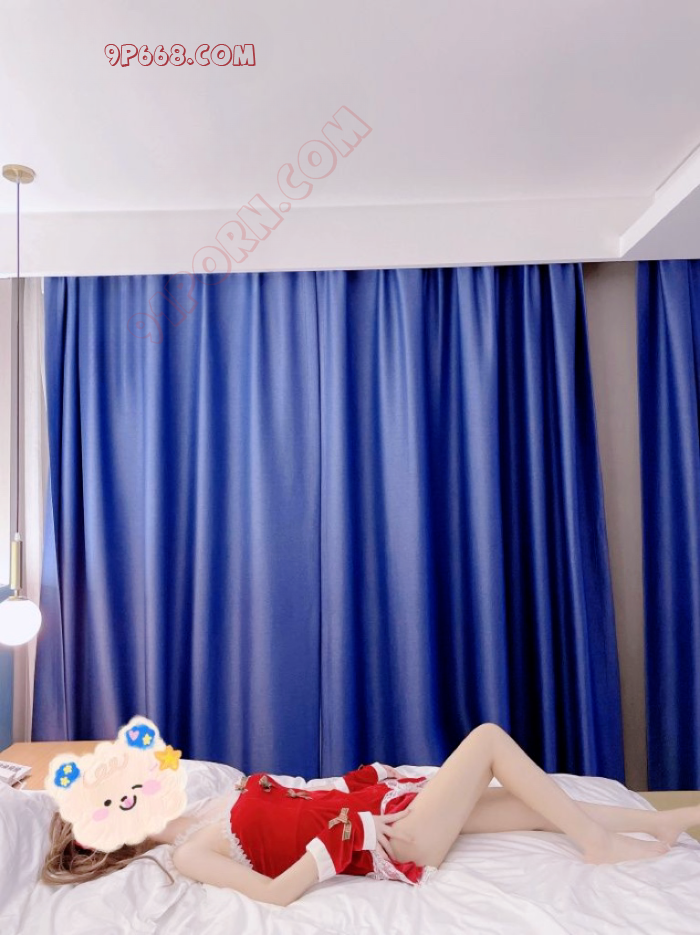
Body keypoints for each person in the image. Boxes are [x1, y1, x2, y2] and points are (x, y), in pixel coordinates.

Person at [42, 723, 696, 906]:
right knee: (489, 741)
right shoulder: (190, 854)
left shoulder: (213, 797)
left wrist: (365, 790)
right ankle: (597, 844)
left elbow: (303, 801)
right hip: (396, 841)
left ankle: (659, 823)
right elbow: (274, 893)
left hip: (388, 808)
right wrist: (346, 836)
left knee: (526, 805)